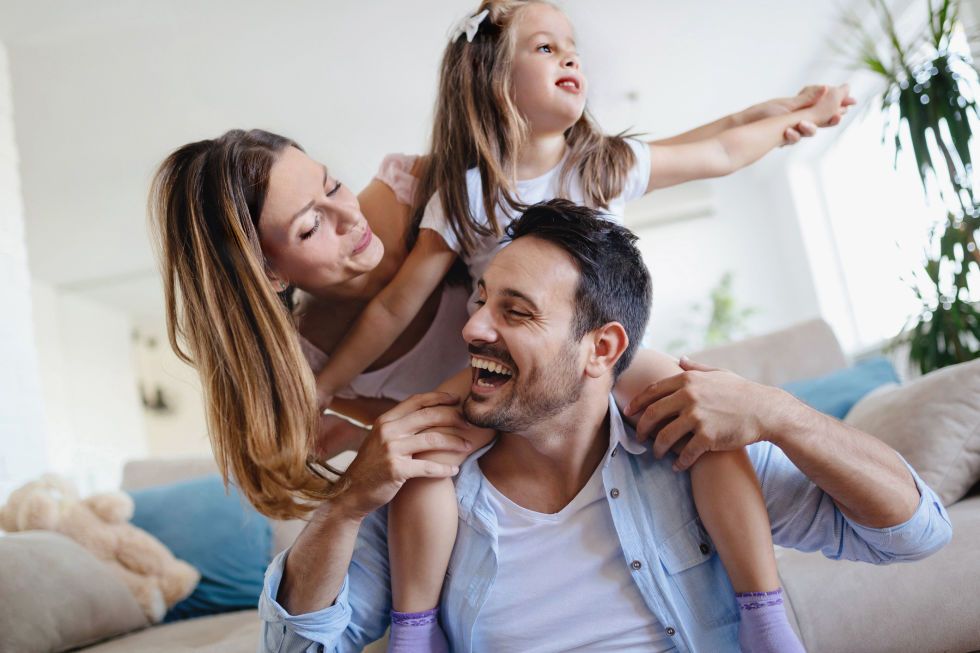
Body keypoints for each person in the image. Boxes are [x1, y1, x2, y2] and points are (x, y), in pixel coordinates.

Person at [310, 1, 853, 649]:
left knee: (704, 423)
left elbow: (724, 145)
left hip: (612, 353)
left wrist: (793, 116)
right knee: (425, 453)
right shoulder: (468, 194)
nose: (571, 55)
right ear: (491, 81)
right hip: (508, 368)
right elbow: (397, 304)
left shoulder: (601, 164)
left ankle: (763, 612)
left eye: (571, 46)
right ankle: (415, 630)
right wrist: (323, 386)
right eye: (544, 48)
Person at [260, 199, 951, 652]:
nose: (471, 328)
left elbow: (916, 532)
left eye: (516, 311)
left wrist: (780, 413)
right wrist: (347, 503)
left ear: (602, 349)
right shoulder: (429, 485)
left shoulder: (684, 454)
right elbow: (296, 648)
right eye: (479, 301)